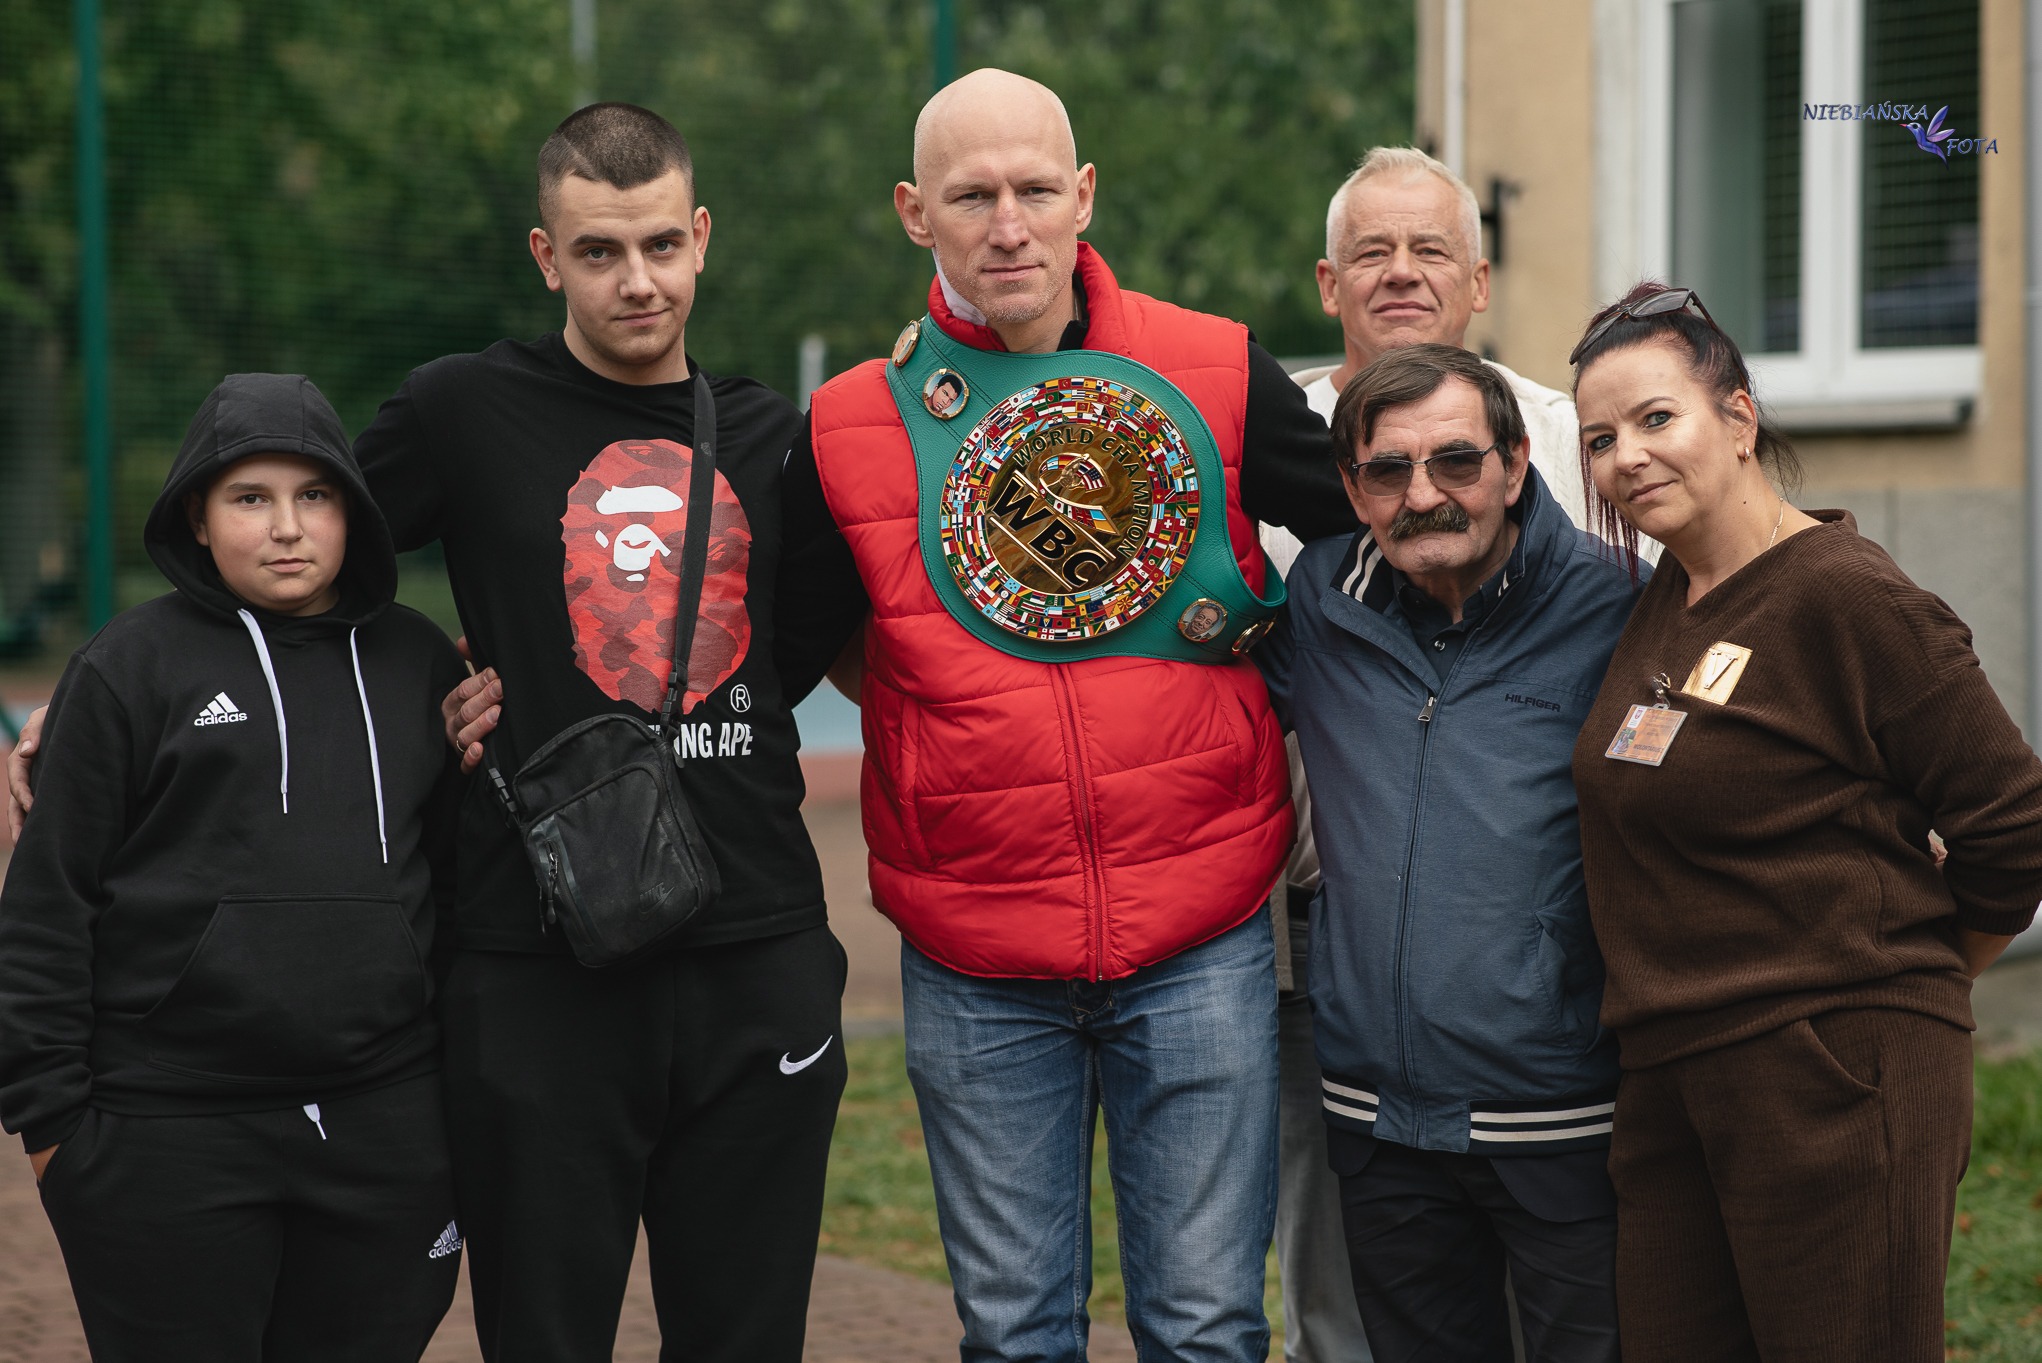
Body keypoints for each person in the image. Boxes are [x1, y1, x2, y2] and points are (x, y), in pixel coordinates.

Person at [7, 103, 849, 1363]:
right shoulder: (461, 411)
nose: (638, 279)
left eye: (662, 245)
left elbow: (793, 650)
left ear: (702, 237)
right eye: (600, 250)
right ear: (543, 254)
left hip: (754, 951)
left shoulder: (777, 441)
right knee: (541, 1336)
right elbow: (295, 559)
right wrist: (103, 708)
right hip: (535, 962)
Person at [773, 68, 1355, 1361]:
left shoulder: (1217, 367)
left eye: (1036, 188)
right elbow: (780, 655)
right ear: (911, 210)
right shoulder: (846, 427)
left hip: (1199, 930)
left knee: (1205, 1328)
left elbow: (1366, 544)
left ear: (1082, 195)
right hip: (974, 947)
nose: (1008, 224)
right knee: (1015, 1332)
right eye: (970, 195)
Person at [1567, 282, 2042, 1363]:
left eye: (1655, 418)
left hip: (1829, 1070)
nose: (1626, 457)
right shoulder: (1665, 596)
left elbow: (2011, 821)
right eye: (1599, 439)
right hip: (1674, 1078)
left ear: (1736, 418)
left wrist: (1914, 984)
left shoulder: (1847, 596)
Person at [0, 374, 466, 1362]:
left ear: (353, 510)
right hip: (164, 1133)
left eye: (316, 495)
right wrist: (54, 1137)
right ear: (198, 520)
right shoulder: (126, 669)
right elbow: (47, 908)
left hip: (384, 1127)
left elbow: (466, 896)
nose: (287, 526)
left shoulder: (420, 665)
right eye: (250, 498)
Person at [1256, 345, 1641, 1363]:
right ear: (1350, 485)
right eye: (1386, 470)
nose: (1422, 495)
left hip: (1563, 1112)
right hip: (1377, 1119)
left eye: (1455, 462)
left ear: (1516, 466)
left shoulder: (1620, 611)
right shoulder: (1319, 607)